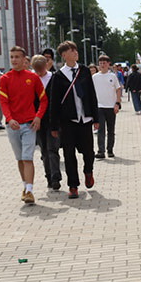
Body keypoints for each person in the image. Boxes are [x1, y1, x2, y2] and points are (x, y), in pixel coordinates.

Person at [47, 41, 99, 199]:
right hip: (68, 121)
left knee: (89, 152)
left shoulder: (83, 71)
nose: (75, 52)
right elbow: (54, 102)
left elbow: (91, 94)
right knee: (69, 154)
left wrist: (96, 117)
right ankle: (73, 185)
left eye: (76, 50)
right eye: (71, 50)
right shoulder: (58, 76)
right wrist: (53, 125)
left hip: (85, 119)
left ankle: (88, 171)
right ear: (64, 55)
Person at [0, 46, 48, 205]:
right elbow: (4, 102)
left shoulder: (33, 78)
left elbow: (43, 99)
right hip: (12, 125)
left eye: (17, 57)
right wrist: (9, 118)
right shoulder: (5, 79)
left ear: (24, 60)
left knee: (28, 158)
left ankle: (30, 190)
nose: (14, 60)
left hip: (29, 125)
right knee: (20, 158)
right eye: (12, 57)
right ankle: (25, 186)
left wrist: (38, 117)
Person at [31, 55, 62, 191]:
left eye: (41, 70)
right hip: (37, 120)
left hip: (52, 119)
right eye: (36, 70)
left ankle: (56, 177)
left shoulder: (54, 78)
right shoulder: (31, 79)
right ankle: (48, 176)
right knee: (43, 149)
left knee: (52, 148)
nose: (39, 73)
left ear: (46, 66)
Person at [92, 55, 123, 158]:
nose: (102, 65)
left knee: (111, 130)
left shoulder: (112, 76)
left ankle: (110, 149)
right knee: (100, 130)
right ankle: (101, 151)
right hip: (99, 107)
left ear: (108, 64)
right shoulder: (95, 77)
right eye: (100, 63)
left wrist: (117, 103)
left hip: (111, 106)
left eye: (104, 63)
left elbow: (118, 89)